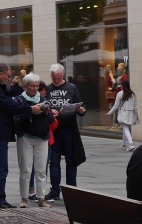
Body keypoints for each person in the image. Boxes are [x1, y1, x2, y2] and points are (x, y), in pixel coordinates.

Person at [42, 64, 87, 203]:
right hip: (54, 129)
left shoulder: (72, 88)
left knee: (71, 160)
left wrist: (81, 110)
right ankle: (55, 190)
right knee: (54, 161)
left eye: (58, 78)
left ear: (63, 75)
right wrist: (50, 111)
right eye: (53, 78)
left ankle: (71, 189)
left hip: (69, 128)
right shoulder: (48, 89)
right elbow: (44, 106)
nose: (56, 81)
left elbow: (80, 106)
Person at [12, 73, 54, 207]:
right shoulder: (19, 100)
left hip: (42, 138)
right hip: (26, 137)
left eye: (37, 86)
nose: (35, 88)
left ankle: (41, 198)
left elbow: (51, 120)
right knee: (26, 169)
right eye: (32, 86)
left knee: (41, 170)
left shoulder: (43, 99)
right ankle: (24, 198)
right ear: (25, 86)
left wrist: (47, 112)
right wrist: (31, 111)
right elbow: (15, 119)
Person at [108, 75, 139, 151]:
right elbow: (135, 106)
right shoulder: (133, 94)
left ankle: (131, 144)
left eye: (121, 85)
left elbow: (116, 106)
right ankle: (124, 144)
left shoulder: (120, 94)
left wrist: (109, 113)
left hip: (123, 113)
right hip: (131, 114)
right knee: (126, 128)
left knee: (125, 128)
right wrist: (135, 115)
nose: (120, 86)